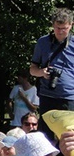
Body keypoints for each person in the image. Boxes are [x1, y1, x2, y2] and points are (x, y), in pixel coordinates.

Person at [31, 8, 74, 139]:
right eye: (57, 28)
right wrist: (41, 72)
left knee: (68, 137)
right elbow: (32, 69)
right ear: (52, 25)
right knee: (45, 137)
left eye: (64, 28)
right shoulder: (43, 42)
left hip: (69, 96)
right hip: (47, 96)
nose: (60, 32)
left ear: (71, 25)